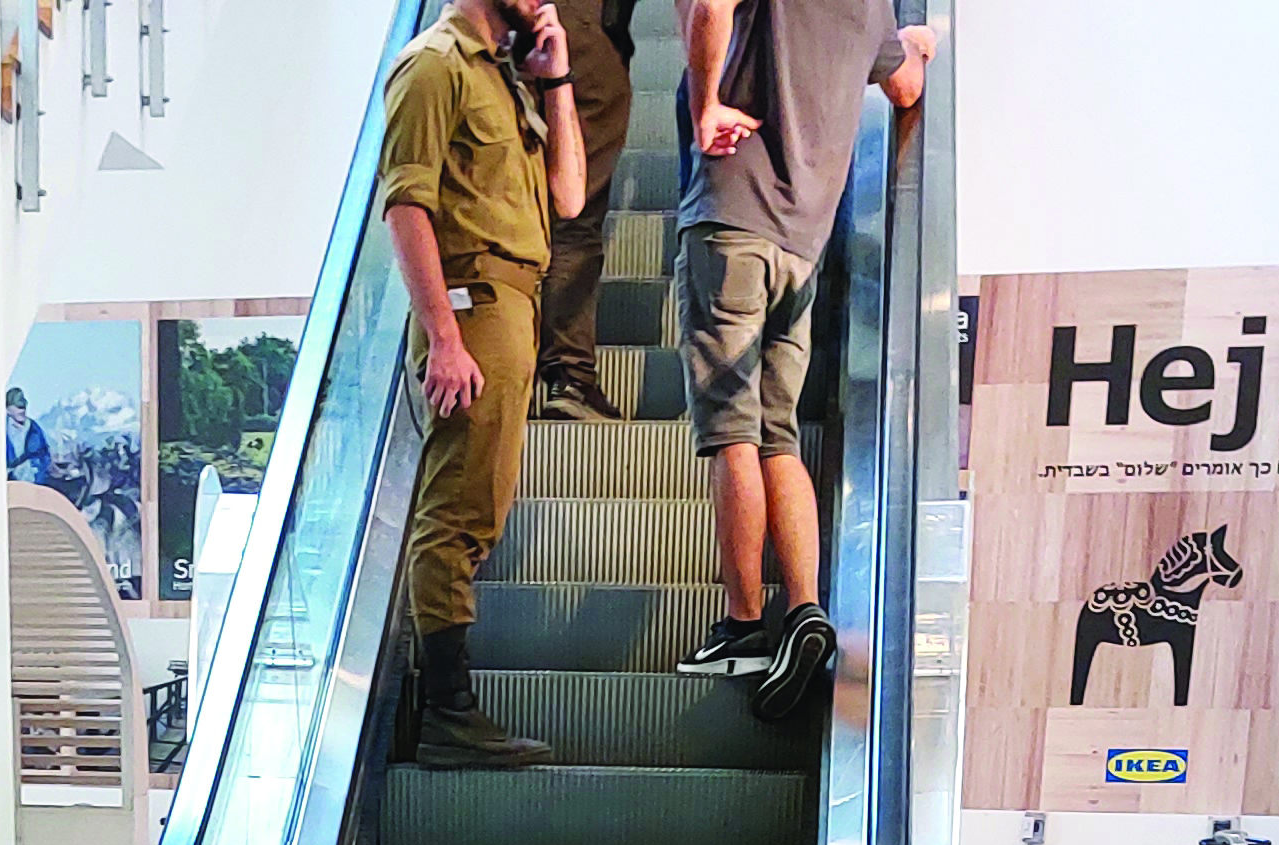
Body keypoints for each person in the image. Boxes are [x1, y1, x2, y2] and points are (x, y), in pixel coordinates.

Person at [672, 0, 932, 710]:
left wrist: (706, 108)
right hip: (803, 245)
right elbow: (905, 86)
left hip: (733, 217)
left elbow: (707, 7)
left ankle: (744, 625)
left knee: (733, 431)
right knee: (778, 430)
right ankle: (807, 608)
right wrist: (918, 37)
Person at [382, 0, 591, 771]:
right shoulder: (433, 65)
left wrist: (557, 78)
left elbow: (569, 197)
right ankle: (447, 712)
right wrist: (442, 334)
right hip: (472, 304)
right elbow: (406, 205)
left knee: (484, 499)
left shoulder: (501, 74)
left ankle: (450, 708)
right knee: (457, 509)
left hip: (517, 302)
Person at [532, 0, 646, 422]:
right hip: (585, 30)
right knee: (574, 214)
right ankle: (569, 375)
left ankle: (512, 360)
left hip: (506, 31)